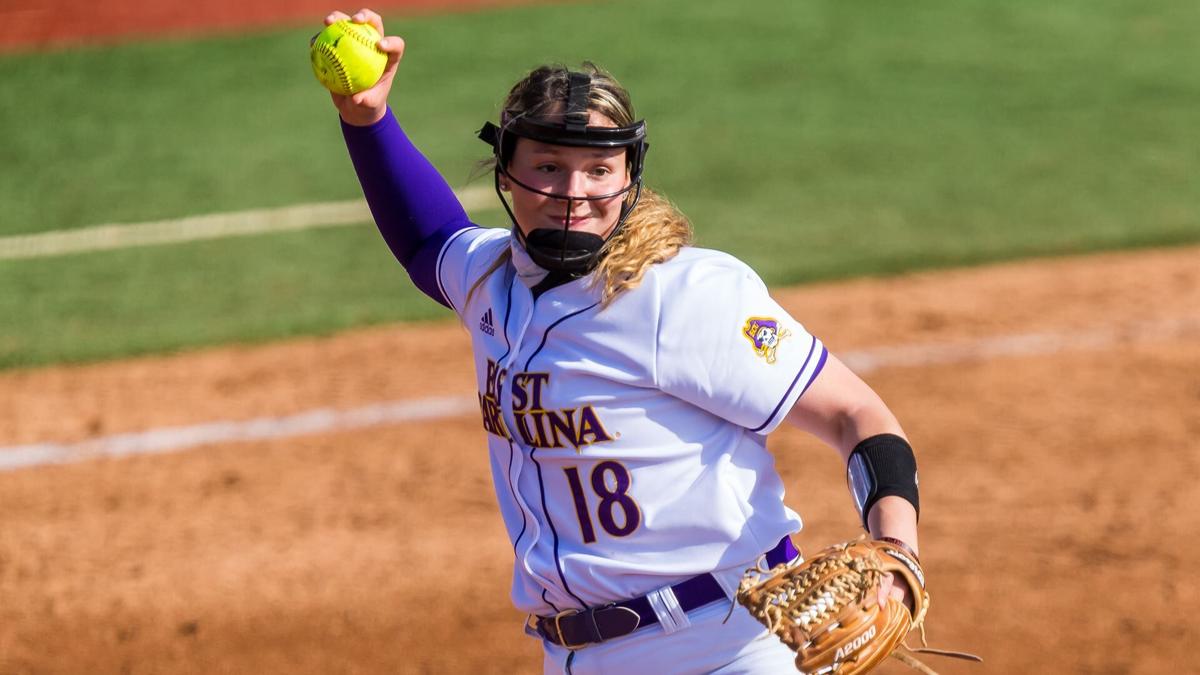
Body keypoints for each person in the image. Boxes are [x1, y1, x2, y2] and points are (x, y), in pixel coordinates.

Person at [326, 9, 924, 673]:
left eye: (598, 169)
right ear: (505, 175)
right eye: (548, 166)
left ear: (628, 177)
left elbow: (857, 414)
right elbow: (425, 238)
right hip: (579, 656)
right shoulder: (489, 280)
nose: (573, 193)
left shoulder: (683, 294)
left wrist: (896, 551)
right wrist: (366, 119)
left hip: (725, 645)